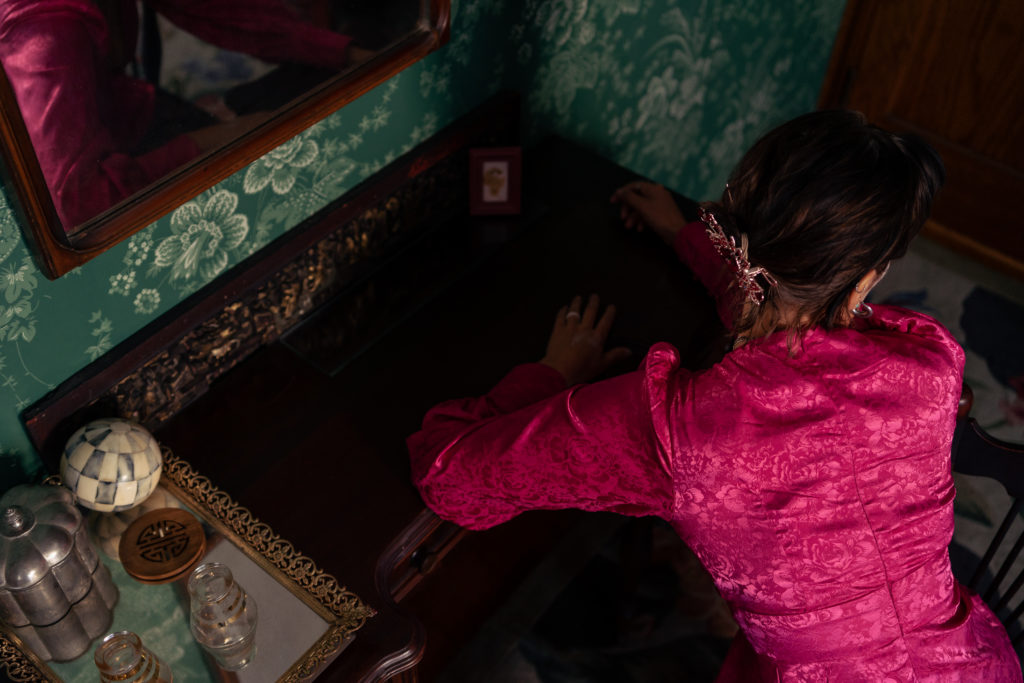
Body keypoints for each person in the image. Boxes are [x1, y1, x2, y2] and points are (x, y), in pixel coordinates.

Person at [406, 111, 1023, 681]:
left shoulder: (687, 432)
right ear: (871, 273)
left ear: (739, 231)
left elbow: (449, 477)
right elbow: (797, 323)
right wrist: (685, 237)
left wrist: (551, 373)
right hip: (972, 665)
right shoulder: (931, 364)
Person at [0, 0, 370, 229]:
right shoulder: (41, 37)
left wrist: (344, 53)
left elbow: (218, 9)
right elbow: (80, 212)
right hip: (92, 195)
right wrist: (215, 140)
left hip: (121, 112)